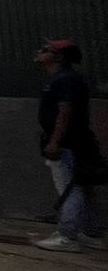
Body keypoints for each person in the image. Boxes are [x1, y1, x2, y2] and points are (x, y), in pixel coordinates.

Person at [32, 38, 105, 252]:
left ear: (58, 56)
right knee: (82, 187)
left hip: (68, 145)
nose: (40, 52)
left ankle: (67, 236)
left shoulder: (64, 80)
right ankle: (92, 233)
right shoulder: (66, 79)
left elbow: (65, 111)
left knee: (69, 189)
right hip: (78, 143)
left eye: (46, 49)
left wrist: (55, 141)